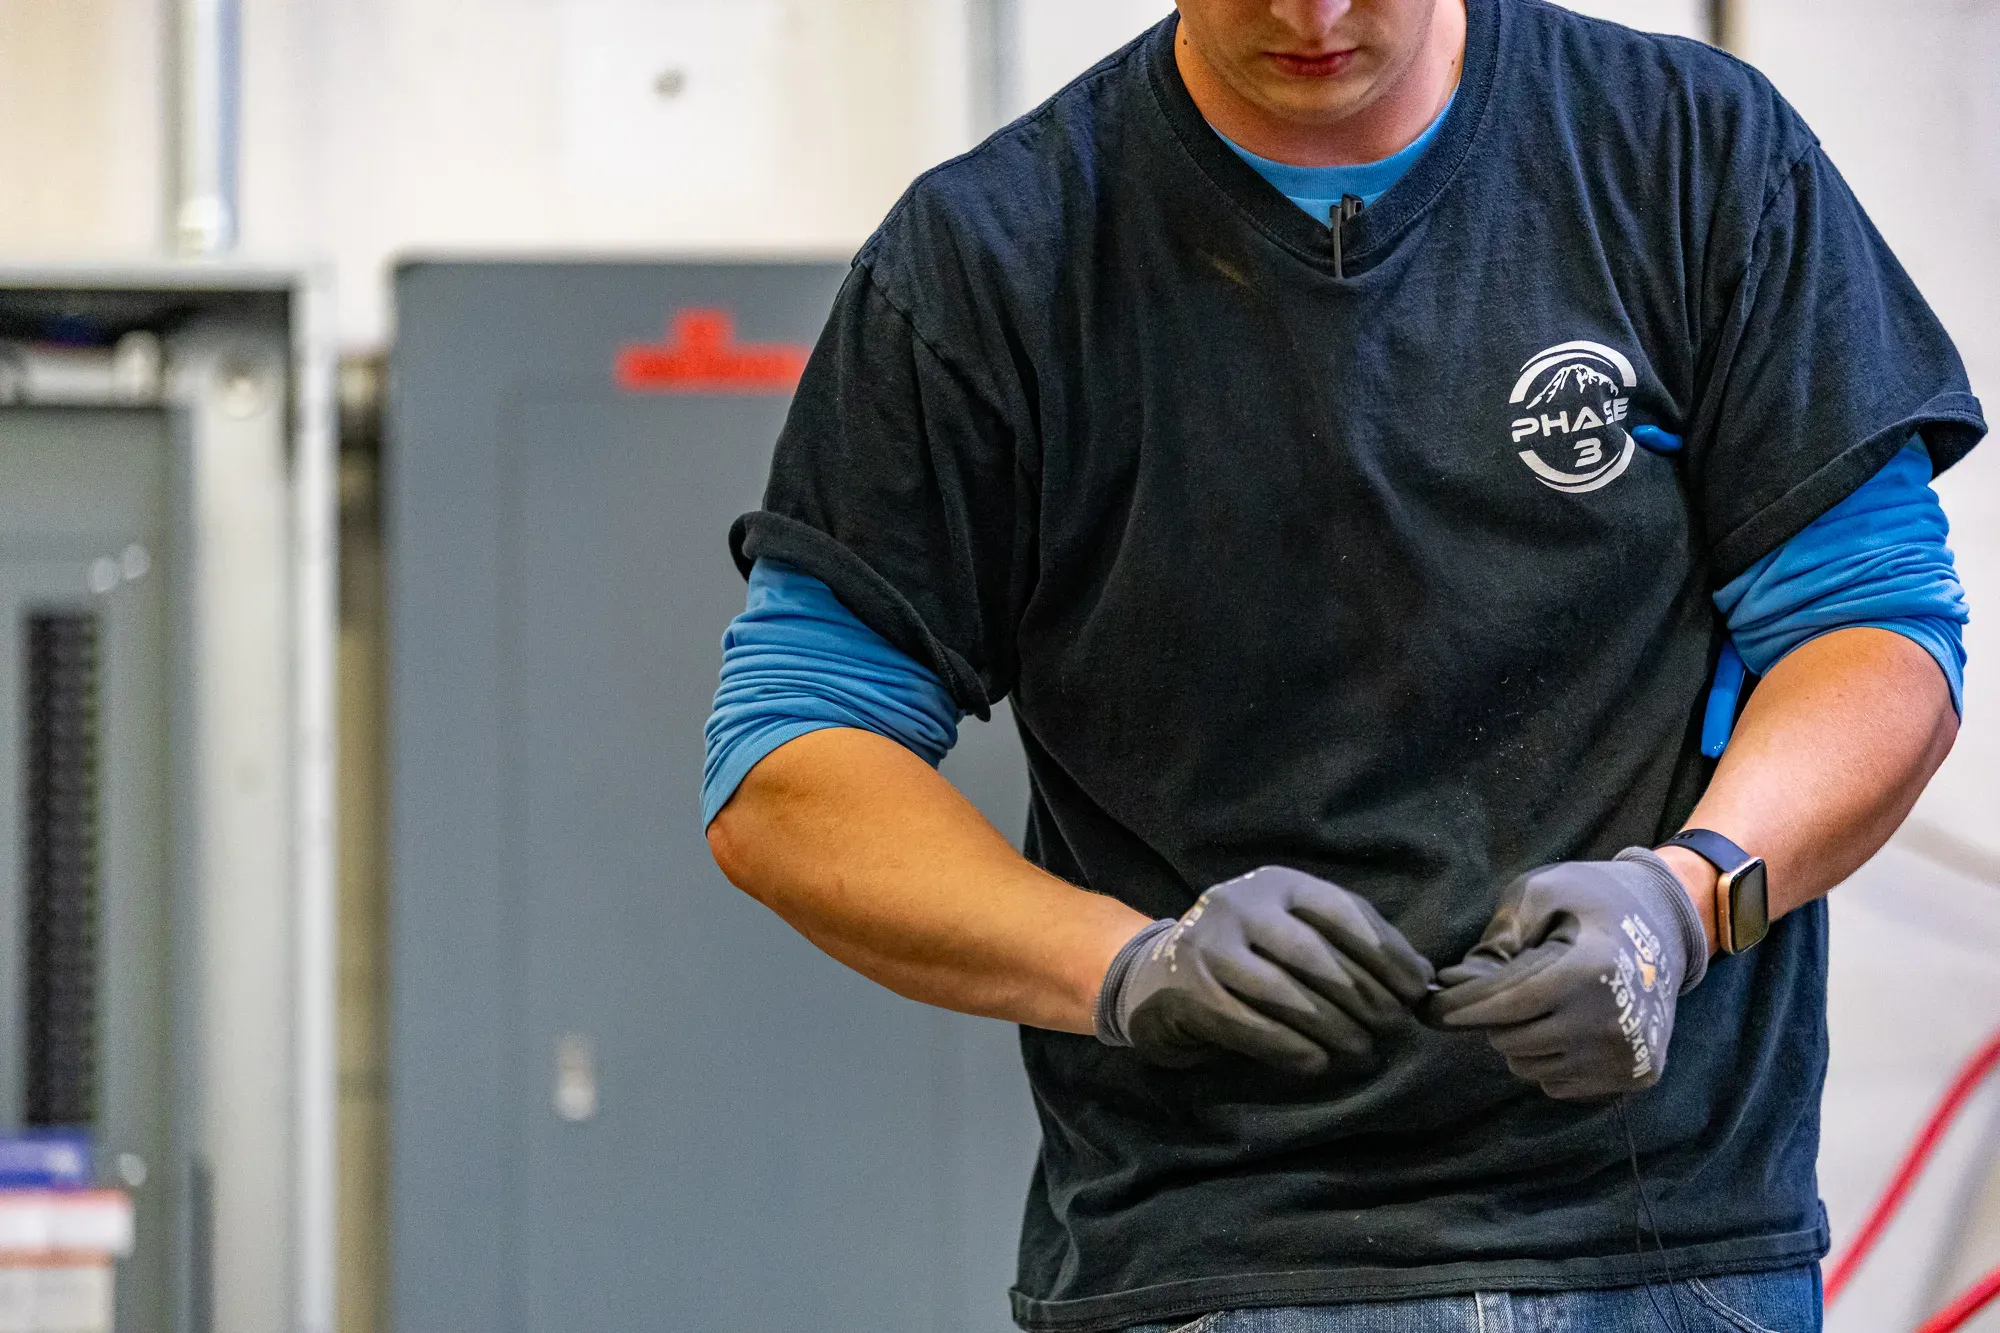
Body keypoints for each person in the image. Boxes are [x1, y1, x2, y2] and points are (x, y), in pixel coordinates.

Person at [702, 0, 1985, 1329]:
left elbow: (1874, 631)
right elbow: (790, 762)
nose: (1310, 16)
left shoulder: (1691, 158)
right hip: (1219, 1260)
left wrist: (1688, 899)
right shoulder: (995, 261)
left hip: (1666, 1253)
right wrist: (1129, 965)